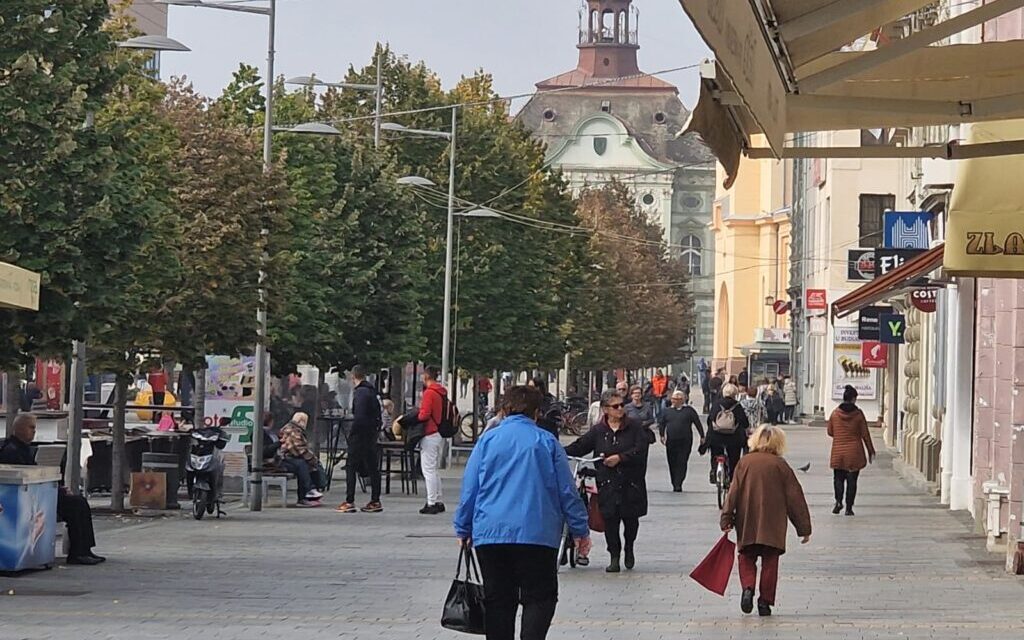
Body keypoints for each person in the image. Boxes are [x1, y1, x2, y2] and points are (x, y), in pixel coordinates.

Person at [454, 386, 591, 640]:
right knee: (540, 597)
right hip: (537, 533)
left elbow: (470, 488)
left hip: (491, 534)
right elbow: (567, 492)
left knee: (497, 600)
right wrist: (580, 529)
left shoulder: (487, 441)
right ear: (537, 413)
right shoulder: (547, 442)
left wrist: (463, 527)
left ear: (504, 409)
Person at [721, 425, 812, 617]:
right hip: (773, 522)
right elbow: (795, 497)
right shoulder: (780, 465)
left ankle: (748, 588)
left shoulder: (744, 463)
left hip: (747, 520)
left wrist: (726, 517)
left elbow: (733, 492)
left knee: (746, 556)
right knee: (770, 561)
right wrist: (803, 528)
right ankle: (765, 602)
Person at [0, 414, 105, 565]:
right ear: (19, 428)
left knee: (78, 502)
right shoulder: (12, 451)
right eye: (31, 427)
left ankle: (84, 550)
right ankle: (78, 552)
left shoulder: (21, 448)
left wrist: (59, 488)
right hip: (32, 497)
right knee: (75, 505)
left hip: (39, 493)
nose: (34, 432)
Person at [565, 390, 650, 573]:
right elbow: (581, 446)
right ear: (605, 409)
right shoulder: (599, 430)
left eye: (622, 405)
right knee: (610, 521)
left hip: (630, 482)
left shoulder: (634, 427)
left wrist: (621, 457)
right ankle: (614, 555)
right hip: (607, 483)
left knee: (630, 520)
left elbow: (641, 449)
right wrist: (559, 451)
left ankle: (629, 547)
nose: (620, 409)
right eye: (615, 406)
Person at [336, 366, 383, 514]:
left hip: (360, 435)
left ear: (353, 377)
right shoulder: (371, 392)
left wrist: (353, 433)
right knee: (373, 467)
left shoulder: (361, 393)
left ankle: (349, 500)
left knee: (351, 466)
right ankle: (375, 499)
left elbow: (360, 417)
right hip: (371, 434)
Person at [828, 385, 876, 516]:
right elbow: (865, 434)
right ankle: (849, 507)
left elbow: (830, 432)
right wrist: (871, 450)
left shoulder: (835, 414)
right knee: (852, 481)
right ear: (854, 399)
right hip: (854, 453)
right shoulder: (859, 414)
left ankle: (838, 502)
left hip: (838, 452)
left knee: (838, 479)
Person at [416, 365, 449, 514]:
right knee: (434, 470)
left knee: (428, 470)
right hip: (438, 433)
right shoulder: (441, 392)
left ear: (427, 376)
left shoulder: (429, 393)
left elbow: (424, 415)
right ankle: (438, 499)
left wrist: (414, 417)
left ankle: (431, 502)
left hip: (429, 432)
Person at [657, 390, 705, 492]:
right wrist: (662, 435)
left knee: (682, 461)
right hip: (671, 441)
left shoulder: (689, 411)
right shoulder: (667, 411)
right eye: (674, 399)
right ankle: (674, 481)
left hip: (685, 441)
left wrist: (702, 436)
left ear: (683, 400)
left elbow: (697, 423)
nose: (675, 401)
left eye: (678, 399)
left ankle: (679, 482)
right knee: (672, 461)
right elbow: (662, 424)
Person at [704, 383, 750, 484]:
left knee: (715, 453)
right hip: (733, 439)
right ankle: (733, 478)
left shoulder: (716, 404)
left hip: (716, 437)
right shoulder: (737, 406)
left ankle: (714, 470)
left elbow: (710, 419)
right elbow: (744, 422)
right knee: (734, 458)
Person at [278, 412, 326, 507]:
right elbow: (300, 449)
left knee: (307, 465)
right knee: (304, 465)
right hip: (287, 459)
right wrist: (313, 459)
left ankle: (310, 492)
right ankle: (308, 492)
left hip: (289, 457)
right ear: (301, 421)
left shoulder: (291, 428)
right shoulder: (293, 431)